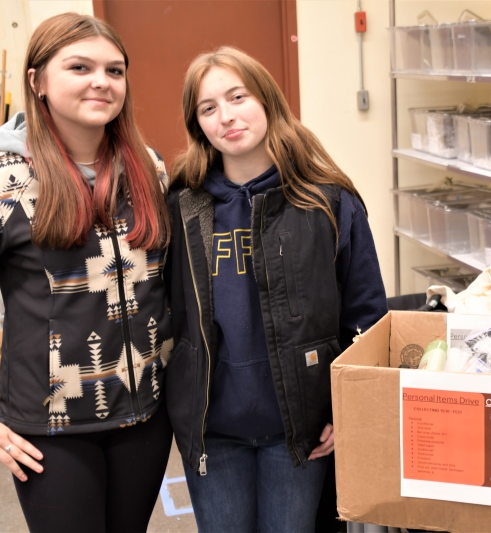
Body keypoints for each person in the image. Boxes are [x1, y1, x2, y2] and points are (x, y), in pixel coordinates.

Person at [0, 13, 174, 532]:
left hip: (144, 419)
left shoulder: (150, 169)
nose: (102, 81)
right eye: (80, 66)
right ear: (38, 81)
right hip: (51, 434)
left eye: (115, 71)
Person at [165, 46, 388, 533]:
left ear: (266, 99)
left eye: (237, 96)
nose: (226, 116)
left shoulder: (328, 202)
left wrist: (349, 411)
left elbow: (367, 316)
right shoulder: (181, 208)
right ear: (197, 123)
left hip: (299, 428)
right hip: (213, 430)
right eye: (208, 108)